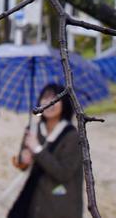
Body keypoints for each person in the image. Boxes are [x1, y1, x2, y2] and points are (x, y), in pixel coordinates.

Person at [8, 83, 83, 218]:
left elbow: (63, 173)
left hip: (60, 207)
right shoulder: (33, 130)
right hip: (32, 200)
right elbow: (23, 165)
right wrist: (23, 161)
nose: (49, 103)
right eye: (45, 98)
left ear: (65, 103)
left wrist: (37, 149)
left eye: (55, 99)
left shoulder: (73, 137)